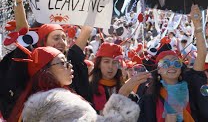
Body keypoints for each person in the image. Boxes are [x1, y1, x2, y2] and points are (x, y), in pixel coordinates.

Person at [9, 46, 146, 121]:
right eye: (63, 63)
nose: (70, 66)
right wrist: (122, 95)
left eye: (115, 62)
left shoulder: (49, 99)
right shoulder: (54, 103)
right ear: (45, 71)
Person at [137, 5, 208, 122]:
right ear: (158, 70)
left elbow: (202, 54)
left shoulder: (191, 84)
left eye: (176, 63)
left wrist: (197, 24)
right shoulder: (149, 99)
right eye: (165, 63)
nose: (172, 66)